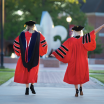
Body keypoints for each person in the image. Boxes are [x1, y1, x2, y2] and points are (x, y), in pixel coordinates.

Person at [51, 24, 104, 97]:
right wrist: (101, 26)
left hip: (73, 61)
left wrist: (55, 54)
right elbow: (94, 32)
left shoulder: (70, 40)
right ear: (81, 31)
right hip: (83, 61)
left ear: (74, 32)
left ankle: (76, 91)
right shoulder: (84, 39)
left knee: (75, 76)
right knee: (81, 75)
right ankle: (81, 89)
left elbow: (62, 49)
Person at [13, 20, 48, 95]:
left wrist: (19, 52)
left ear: (27, 26)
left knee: (26, 72)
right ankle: (32, 85)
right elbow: (44, 44)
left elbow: (16, 43)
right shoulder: (38, 34)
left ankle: (27, 89)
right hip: (35, 57)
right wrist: (42, 52)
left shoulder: (22, 34)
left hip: (24, 58)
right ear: (33, 26)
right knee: (33, 72)